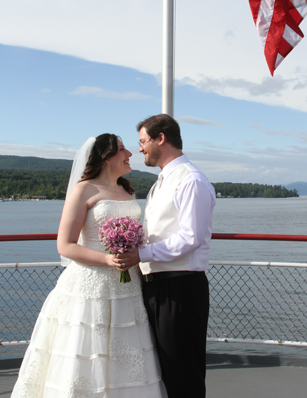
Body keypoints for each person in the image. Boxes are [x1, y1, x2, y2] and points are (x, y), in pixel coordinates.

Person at [11, 134, 167, 398]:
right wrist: (108, 259)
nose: (130, 153)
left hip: (127, 287)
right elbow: (65, 245)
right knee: (85, 353)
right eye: (121, 149)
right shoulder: (84, 190)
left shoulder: (127, 190)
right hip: (89, 286)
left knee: (126, 352)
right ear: (106, 159)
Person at [114, 114, 216, 398]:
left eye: (143, 141)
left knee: (183, 372)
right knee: (163, 369)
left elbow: (191, 237)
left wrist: (141, 254)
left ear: (161, 138)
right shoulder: (163, 181)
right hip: (158, 286)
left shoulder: (191, 180)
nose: (140, 149)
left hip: (180, 288)